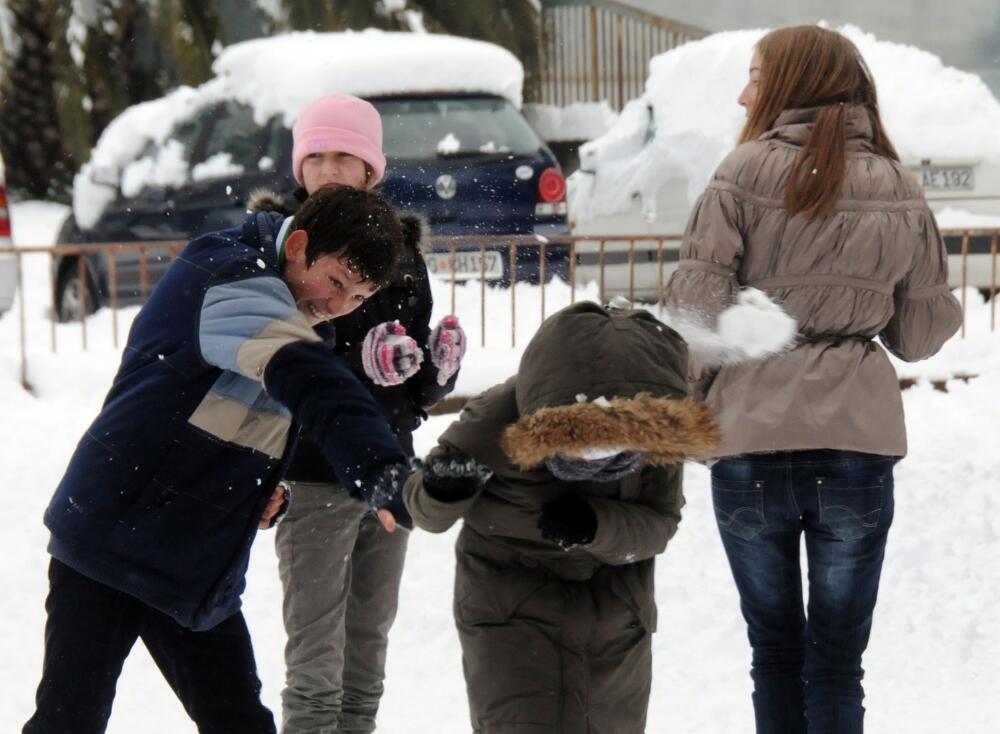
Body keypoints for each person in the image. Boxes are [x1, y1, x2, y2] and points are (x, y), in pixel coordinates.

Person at [22, 184, 414, 734]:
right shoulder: (231, 276)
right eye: (336, 282)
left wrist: (261, 494)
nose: (340, 305)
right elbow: (307, 381)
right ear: (297, 245)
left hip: (192, 562)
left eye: (358, 297)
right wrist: (375, 463)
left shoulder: (295, 314)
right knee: (70, 719)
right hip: (111, 540)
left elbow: (236, 420)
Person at [664, 25, 963, 734]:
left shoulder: (739, 174)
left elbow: (695, 318)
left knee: (773, 652)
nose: (744, 93)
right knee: (836, 662)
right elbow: (919, 335)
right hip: (855, 442)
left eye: (757, 75)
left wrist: (691, 403)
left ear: (791, 84)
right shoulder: (897, 184)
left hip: (748, 441)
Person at [250, 94, 464, 734]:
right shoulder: (283, 250)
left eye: (345, 155)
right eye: (316, 156)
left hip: (390, 475)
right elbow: (275, 362)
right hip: (312, 474)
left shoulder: (401, 255)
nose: (329, 168)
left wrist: (433, 369)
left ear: (373, 168)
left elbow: (411, 389)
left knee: (368, 651)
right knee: (315, 662)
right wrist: (354, 358)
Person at [403, 301, 718, 734]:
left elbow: (660, 524)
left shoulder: (657, 428)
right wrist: (441, 490)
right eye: (585, 438)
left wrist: (597, 523)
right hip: (511, 618)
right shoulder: (496, 416)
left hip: (614, 622)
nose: (600, 456)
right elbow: (423, 512)